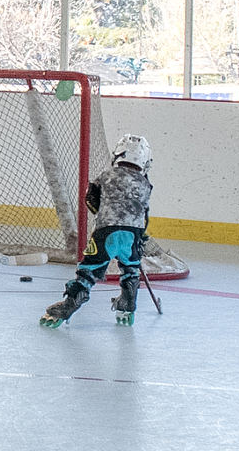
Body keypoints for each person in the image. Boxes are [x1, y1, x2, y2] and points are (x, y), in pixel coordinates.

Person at [40, 133, 155, 328]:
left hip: (106, 232)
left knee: (90, 269)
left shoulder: (106, 175)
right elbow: (144, 214)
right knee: (130, 269)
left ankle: (71, 303)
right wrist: (140, 238)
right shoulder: (146, 184)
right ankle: (128, 303)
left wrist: (102, 213)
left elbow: (90, 199)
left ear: (119, 155)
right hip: (133, 234)